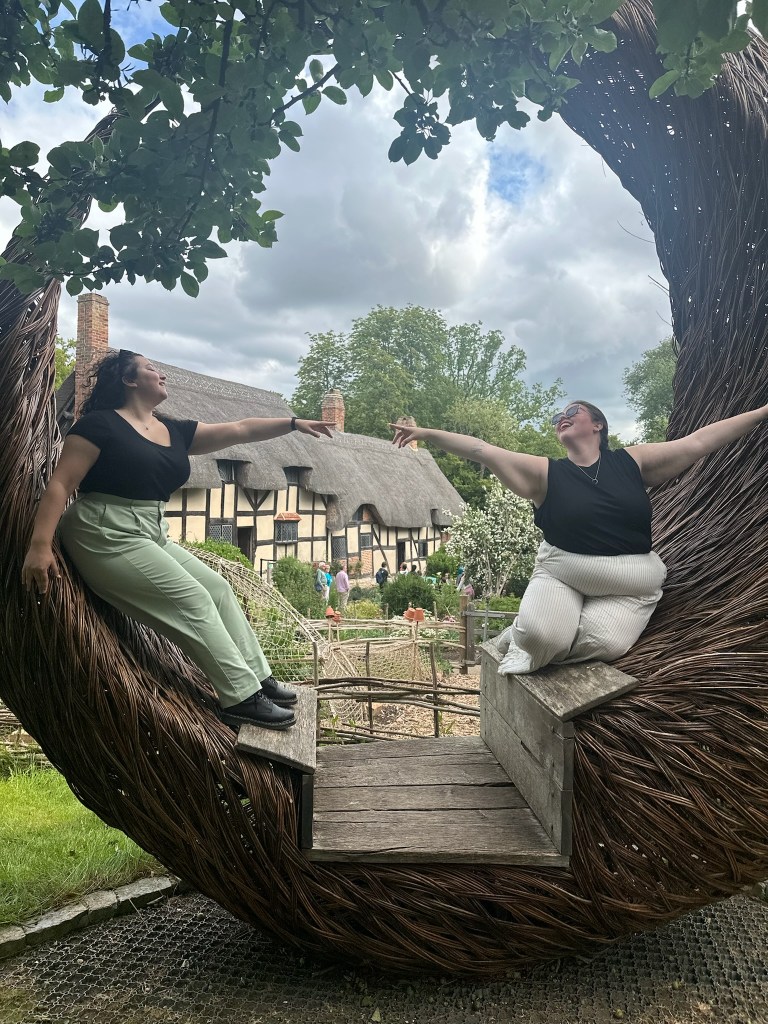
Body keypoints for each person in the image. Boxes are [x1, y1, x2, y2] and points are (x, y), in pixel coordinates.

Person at [21, 350, 334, 731]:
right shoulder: (98, 426)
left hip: (151, 530)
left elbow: (241, 429)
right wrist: (40, 546)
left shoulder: (172, 431)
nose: (162, 374)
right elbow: (60, 483)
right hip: (103, 531)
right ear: (129, 380)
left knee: (218, 589)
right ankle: (240, 697)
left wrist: (293, 423)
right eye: (151, 368)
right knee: (194, 599)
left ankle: (258, 677)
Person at [391, 398, 768, 674]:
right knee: (541, 639)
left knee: (607, 644)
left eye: (572, 411)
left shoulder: (632, 461)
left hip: (630, 581)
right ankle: (523, 637)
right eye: (558, 417)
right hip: (564, 573)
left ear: (598, 424)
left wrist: (763, 411)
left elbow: (699, 442)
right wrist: (426, 433)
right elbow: (481, 450)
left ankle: (533, 636)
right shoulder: (544, 473)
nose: (562, 418)